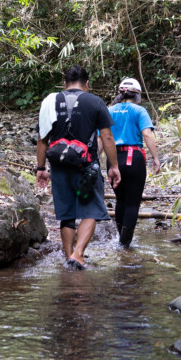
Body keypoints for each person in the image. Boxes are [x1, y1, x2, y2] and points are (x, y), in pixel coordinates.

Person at [35, 65, 121, 270]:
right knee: (90, 210)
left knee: (66, 214)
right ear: (87, 84)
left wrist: (40, 168)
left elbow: (42, 138)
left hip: (58, 166)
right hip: (87, 166)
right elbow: (107, 136)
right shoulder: (95, 102)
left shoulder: (50, 101)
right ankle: (78, 254)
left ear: (64, 84)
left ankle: (68, 257)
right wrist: (114, 166)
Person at [107, 77, 160, 248]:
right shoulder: (139, 111)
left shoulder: (109, 110)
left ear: (120, 93)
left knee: (120, 199)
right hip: (133, 158)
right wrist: (156, 158)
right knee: (132, 202)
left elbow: (102, 138)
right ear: (137, 94)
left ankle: (119, 240)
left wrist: (93, 159)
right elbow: (147, 135)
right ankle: (125, 244)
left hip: (113, 159)